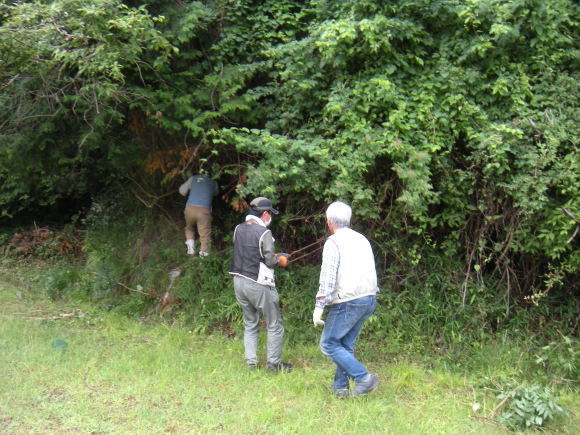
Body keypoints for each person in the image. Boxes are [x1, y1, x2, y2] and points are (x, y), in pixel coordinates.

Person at [312, 201, 380, 397]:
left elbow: (327, 277)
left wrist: (319, 306)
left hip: (348, 301)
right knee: (345, 345)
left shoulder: (334, 242)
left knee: (329, 344)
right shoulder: (362, 239)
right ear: (348, 220)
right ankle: (340, 389)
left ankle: (364, 378)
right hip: (368, 298)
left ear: (328, 222)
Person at [229, 197, 292, 372]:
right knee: (274, 324)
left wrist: (274, 256)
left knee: (250, 323)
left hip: (238, 281)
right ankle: (274, 364)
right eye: (270, 213)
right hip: (257, 283)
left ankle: (251, 363)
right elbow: (270, 262)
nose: (270, 216)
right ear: (265, 214)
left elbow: (250, 252)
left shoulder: (238, 229)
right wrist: (282, 261)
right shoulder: (264, 233)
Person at [179, 172, 218, 257]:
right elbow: (215, 193)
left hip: (190, 208)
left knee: (189, 228)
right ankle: (203, 258)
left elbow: (182, 191)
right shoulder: (213, 182)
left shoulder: (193, 179)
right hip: (204, 210)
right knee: (205, 235)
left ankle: (191, 251)